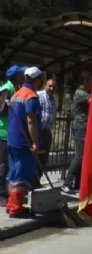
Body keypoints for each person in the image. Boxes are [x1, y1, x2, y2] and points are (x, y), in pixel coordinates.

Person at [6, 67, 43, 217]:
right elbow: (31, 120)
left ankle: (11, 204)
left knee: (14, 173)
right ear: (38, 79)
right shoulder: (30, 96)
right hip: (24, 142)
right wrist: (34, 143)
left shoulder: (17, 94)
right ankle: (16, 208)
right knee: (22, 174)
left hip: (12, 140)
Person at [62, 72, 92, 194]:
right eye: (90, 80)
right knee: (79, 157)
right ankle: (67, 183)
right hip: (80, 127)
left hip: (84, 127)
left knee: (83, 157)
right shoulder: (80, 93)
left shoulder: (85, 93)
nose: (91, 83)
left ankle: (77, 183)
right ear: (84, 81)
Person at [0, 65, 25, 206]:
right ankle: (1, 194)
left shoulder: (14, 88)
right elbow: (1, 108)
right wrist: (9, 106)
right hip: (3, 132)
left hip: (9, 132)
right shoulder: (7, 89)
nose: (23, 76)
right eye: (21, 74)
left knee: (7, 165)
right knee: (2, 165)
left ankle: (7, 192)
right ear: (16, 76)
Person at [35, 77, 57, 188]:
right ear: (45, 85)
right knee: (36, 157)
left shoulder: (53, 99)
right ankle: (32, 182)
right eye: (50, 86)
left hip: (47, 132)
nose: (51, 88)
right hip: (39, 131)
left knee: (44, 158)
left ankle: (37, 180)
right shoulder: (39, 95)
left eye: (53, 86)